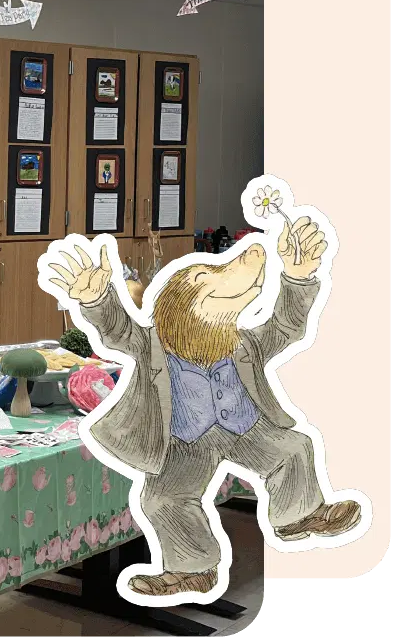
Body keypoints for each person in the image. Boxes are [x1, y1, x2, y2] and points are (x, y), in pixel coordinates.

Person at [46, 219, 360, 598]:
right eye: (206, 278)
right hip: (185, 440)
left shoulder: (244, 344)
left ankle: (298, 517)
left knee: (294, 448)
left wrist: (297, 278)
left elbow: (286, 326)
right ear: (179, 306)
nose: (245, 266)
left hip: (246, 428)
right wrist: (98, 300)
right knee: (162, 498)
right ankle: (192, 569)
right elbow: (119, 331)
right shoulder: (154, 346)